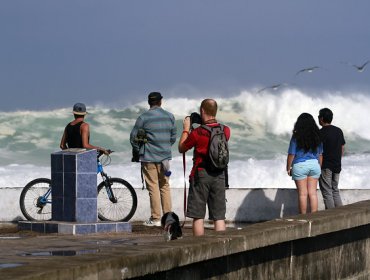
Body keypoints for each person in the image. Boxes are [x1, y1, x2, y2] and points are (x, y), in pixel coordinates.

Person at [178, 99, 230, 236]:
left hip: (201, 174)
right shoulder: (225, 130)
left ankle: (199, 248)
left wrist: (185, 129)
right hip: (219, 175)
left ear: (202, 111)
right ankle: (221, 249)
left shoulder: (197, 133)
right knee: (219, 217)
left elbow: (182, 148)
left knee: (198, 216)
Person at [130, 92, 177, 227]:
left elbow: (133, 137)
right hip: (165, 159)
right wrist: (164, 147)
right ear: (161, 101)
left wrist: (140, 151)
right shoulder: (170, 116)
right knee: (165, 186)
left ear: (149, 102)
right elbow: (173, 137)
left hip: (149, 157)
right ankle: (169, 218)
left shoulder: (143, 117)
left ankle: (156, 218)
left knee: (153, 187)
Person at [286, 113, 323, 214]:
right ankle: (314, 217)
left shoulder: (296, 137)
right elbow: (320, 154)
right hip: (315, 165)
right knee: (313, 193)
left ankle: (303, 218)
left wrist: (288, 167)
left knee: (303, 194)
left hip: (300, 165)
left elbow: (291, 154)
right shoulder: (317, 136)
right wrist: (320, 166)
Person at [318, 108, 345, 209]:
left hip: (326, 165)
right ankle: (341, 214)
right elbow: (342, 147)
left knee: (327, 192)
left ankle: (332, 217)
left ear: (321, 119)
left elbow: (318, 151)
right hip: (337, 165)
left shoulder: (321, 133)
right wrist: (338, 159)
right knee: (335, 190)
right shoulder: (338, 131)